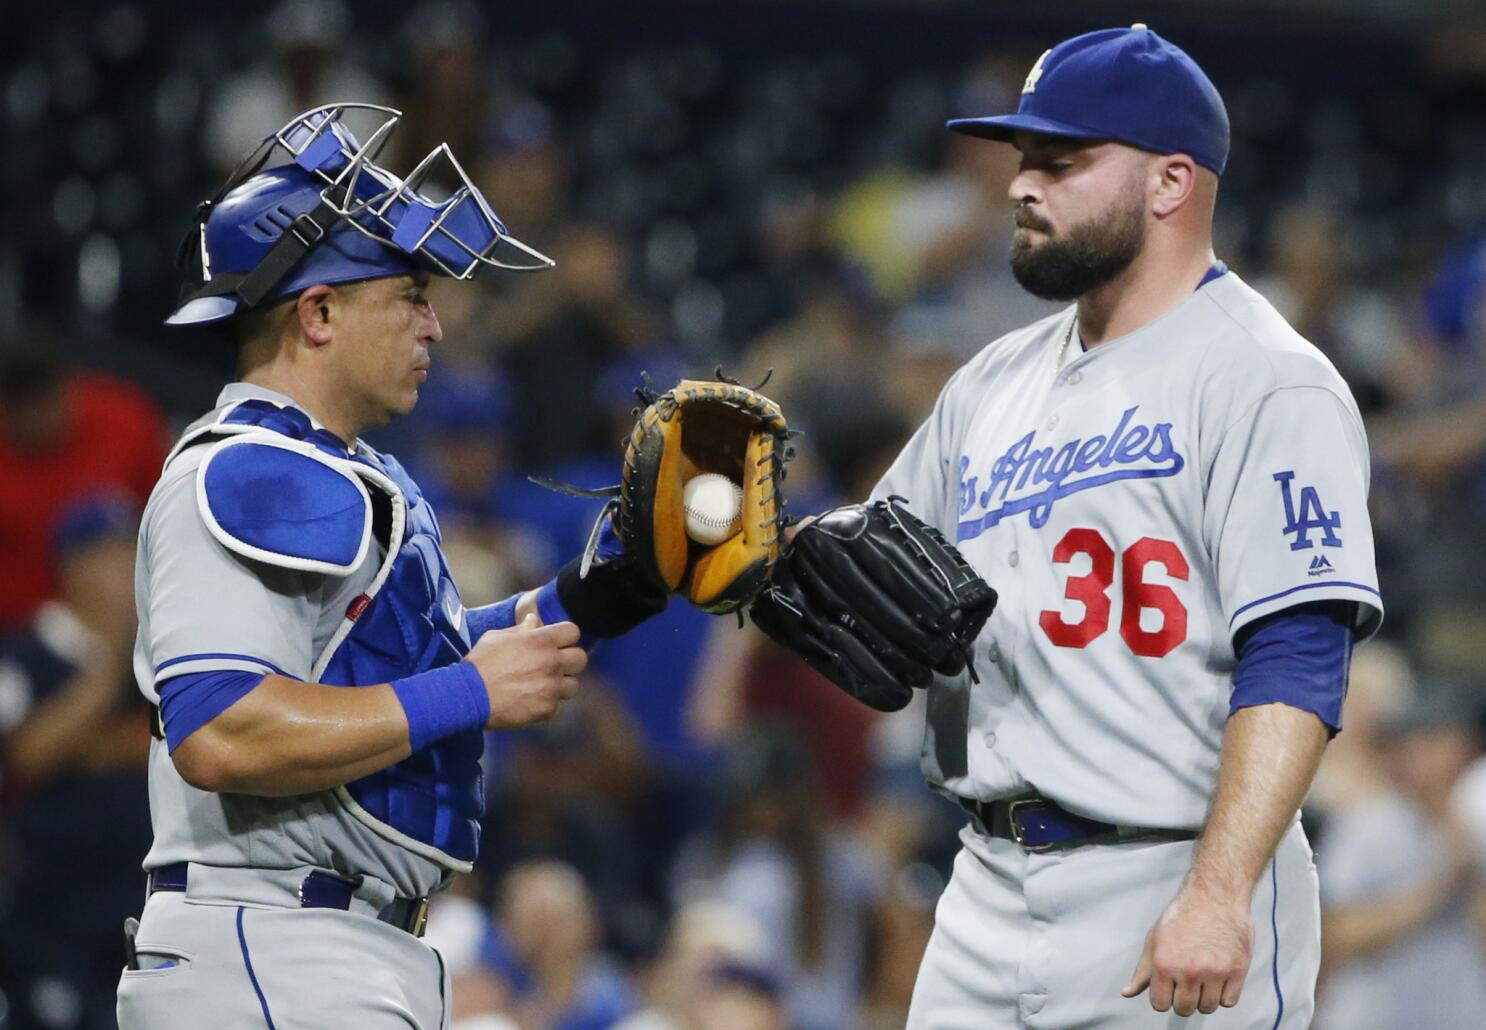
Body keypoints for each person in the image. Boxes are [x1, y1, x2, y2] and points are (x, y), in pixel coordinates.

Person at [863, 25, 1382, 1027]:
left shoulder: (1264, 377)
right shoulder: (990, 382)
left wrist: (1221, 892)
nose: (1021, 185)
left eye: (1061, 161)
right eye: (1023, 161)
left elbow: (1298, 652)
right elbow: (862, 567)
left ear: (1170, 182)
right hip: (981, 882)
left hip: (1171, 876)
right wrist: (738, 550)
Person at [115, 103, 667, 1029]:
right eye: (410, 293)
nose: (435, 326)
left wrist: (593, 597)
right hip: (275, 942)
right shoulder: (250, 472)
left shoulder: (335, 468)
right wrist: (471, 695)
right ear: (318, 312)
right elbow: (222, 731)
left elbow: (390, 657)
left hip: (328, 946)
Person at [0, 495, 152, 1030]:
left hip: (142, 908)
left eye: (132, 553)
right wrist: (109, 658)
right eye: (110, 555)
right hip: (51, 915)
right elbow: (26, 758)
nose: (125, 571)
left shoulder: (157, 665)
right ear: (74, 565)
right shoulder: (26, 654)